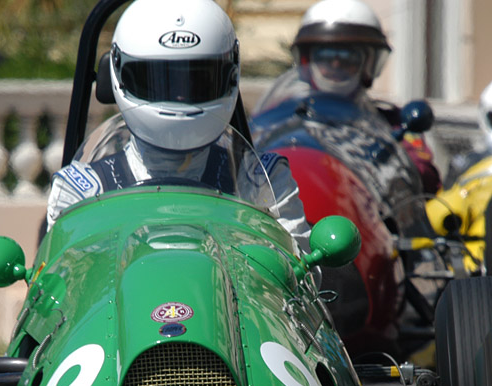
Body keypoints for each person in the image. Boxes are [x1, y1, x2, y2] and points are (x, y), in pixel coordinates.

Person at [45, 0, 311, 249]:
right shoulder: (79, 191)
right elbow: (64, 287)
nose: (179, 97)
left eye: (197, 81)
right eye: (157, 80)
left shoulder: (262, 181)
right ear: (119, 74)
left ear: (229, 75)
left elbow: (297, 282)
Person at [272, 0, 442, 194]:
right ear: (306, 60)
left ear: (370, 62)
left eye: (348, 57)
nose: (336, 64)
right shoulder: (281, 119)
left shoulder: (390, 123)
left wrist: (392, 160)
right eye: (326, 56)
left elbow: (426, 177)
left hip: (369, 218)